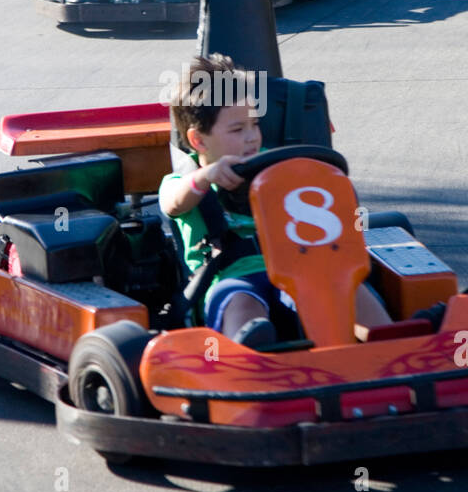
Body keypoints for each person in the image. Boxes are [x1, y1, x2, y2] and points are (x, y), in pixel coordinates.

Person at [159, 54, 392, 349]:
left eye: (254, 124)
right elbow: (171, 204)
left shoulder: (275, 162)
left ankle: (389, 340)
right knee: (241, 301)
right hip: (232, 275)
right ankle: (248, 354)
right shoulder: (187, 181)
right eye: (237, 129)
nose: (251, 138)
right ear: (199, 141)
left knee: (344, 285)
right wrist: (207, 176)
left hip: (301, 266)